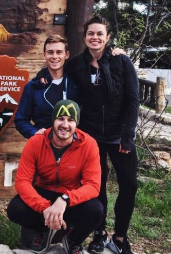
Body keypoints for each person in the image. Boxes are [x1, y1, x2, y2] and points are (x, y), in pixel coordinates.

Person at [63, 16, 140, 254]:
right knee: (97, 186)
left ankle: (120, 236)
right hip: (92, 135)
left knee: (129, 184)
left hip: (119, 136)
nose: (94, 38)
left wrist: (128, 135)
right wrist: (42, 77)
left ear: (107, 37)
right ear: (85, 37)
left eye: (99, 34)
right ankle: (99, 233)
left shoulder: (121, 62)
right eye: (90, 34)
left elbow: (133, 99)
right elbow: (58, 76)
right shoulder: (77, 64)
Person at [7, 99, 103, 254]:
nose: (65, 125)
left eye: (71, 120)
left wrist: (65, 199)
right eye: (60, 118)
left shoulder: (89, 145)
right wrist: (44, 207)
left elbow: (93, 186)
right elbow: (22, 182)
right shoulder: (36, 142)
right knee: (15, 209)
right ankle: (42, 230)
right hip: (43, 192)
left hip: (70, 197)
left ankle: (73, 239)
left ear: (76, 123)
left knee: (96, 210)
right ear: (53, 121)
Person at [14, 34, 80, 139]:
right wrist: (35, 133)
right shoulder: (33, 87)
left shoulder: (77, 84)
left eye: (59, 52)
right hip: (44, 145)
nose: (54, 56)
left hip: (72, 145)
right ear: (44, 55)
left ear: (66, 55)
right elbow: (21, 120)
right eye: (50, 52)